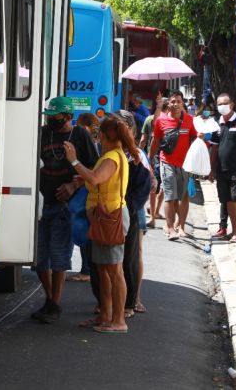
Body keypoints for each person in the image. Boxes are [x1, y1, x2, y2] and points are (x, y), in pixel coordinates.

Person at [65, 116, 139, 334]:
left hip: (110, 218)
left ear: (105, 136)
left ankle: (119, 320)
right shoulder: (111, 155)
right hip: (103, 218)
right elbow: (99, 181)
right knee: (103, 269)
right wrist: (84, 179)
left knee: (114, 271)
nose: (97, 139)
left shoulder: (112, 157)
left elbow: (96, 178)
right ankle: (105, 316)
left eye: (99, 136)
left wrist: (74, 161)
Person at [33, 97, 99, 323]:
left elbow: (94, 169)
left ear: (68, 117)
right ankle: (51, 301)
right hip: (41, 203)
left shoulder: (80, 135)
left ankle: (54, 303)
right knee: (39, 257)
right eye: (49, 116)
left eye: (55, 116)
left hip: (65, 207)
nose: (50, 120)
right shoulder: (42, 133)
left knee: (59, 256)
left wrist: (74, 184)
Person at [117, 110, 154, 316]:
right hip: (114, 209)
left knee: (133, 254)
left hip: (132, 209)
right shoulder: (109, 150)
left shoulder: (137, 154)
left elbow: (148, 182)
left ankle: (133, 299)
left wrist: (129, 208)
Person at [148, 90, 197, 240]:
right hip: (167, 162)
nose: (176, 104)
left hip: (185, 165)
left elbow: (194, 139)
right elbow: (155, 141)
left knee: (183, 197)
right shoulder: (160, 120)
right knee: (170, 195)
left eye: (178, 101)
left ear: (183, 103)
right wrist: (149, 160)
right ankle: (170, 229)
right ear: (168, 104)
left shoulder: (190, 120)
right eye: (173, 101)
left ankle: (181, 226)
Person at [208, 93, 236, 243]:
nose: (222, 106)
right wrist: (212, 169)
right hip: (222, 170)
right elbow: (214, 149)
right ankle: (231, 230)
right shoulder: (217, 124)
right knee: (226, 201)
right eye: (219, 104)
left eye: (225, 103)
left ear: (232, 104)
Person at [70, 112, 101, 283]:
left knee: (84, 229)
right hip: (92, 194)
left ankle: (87, 270)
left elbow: (92, 173)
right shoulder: (99, 144)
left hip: (88, 193)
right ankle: (87, 269)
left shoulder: (89, 144)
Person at [140, 97, 168, 227]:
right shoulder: (162, 120)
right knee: (160, 186)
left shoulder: (149, 119)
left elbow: (143, 140)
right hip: (160, 157)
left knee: (156, 186)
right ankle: (154, 213)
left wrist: (140, 154)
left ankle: (153, 214)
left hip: (156, 157)